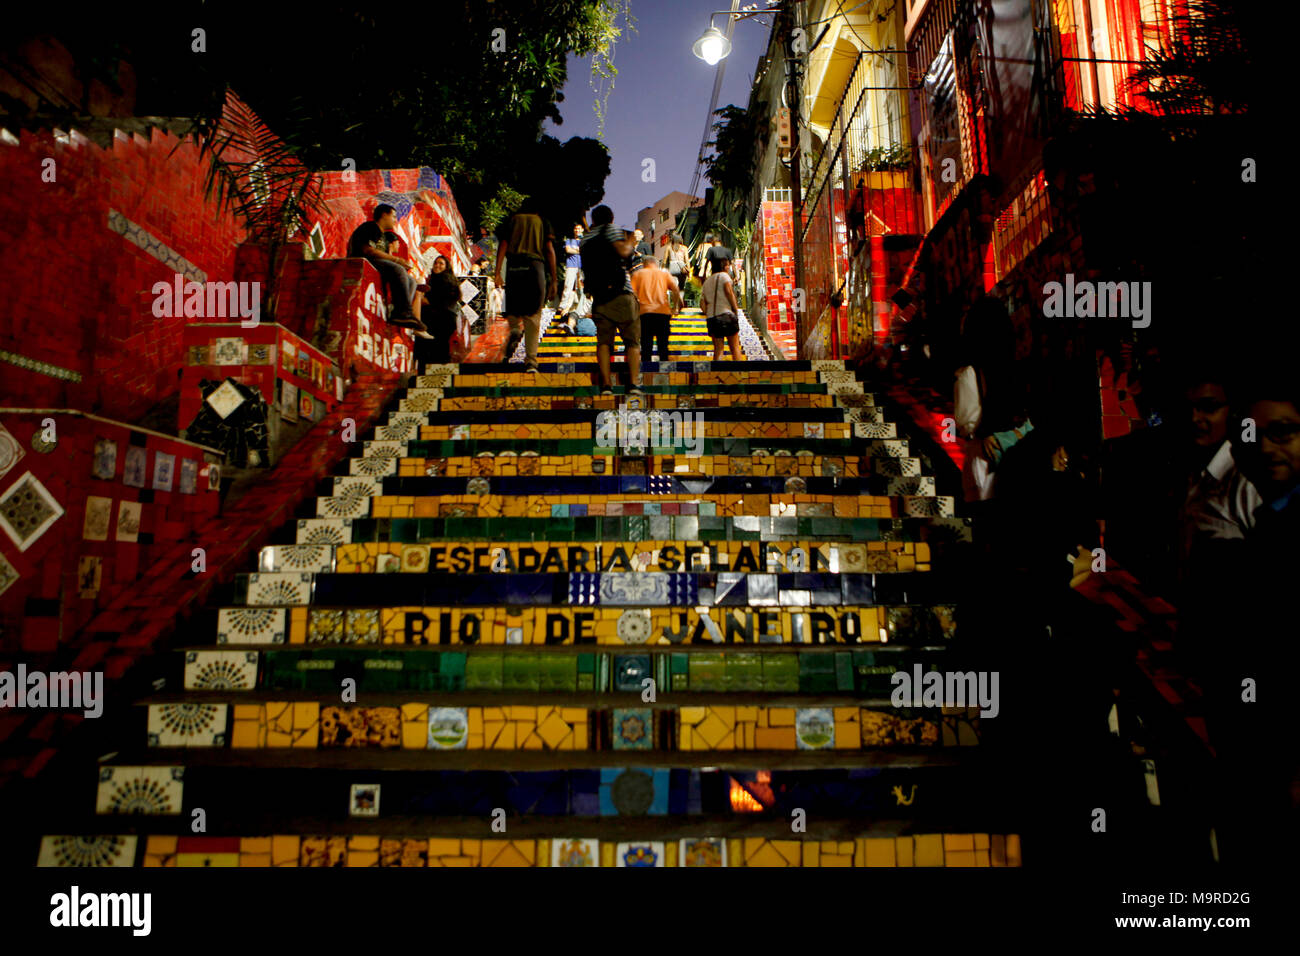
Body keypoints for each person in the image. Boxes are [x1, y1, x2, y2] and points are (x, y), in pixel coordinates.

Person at [580, 205, 642, 395]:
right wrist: (631, 240)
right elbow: (624, 252)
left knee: (604, 343)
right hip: (621, 292)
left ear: (593, 219)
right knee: (632, 342)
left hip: (599, 296)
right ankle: (632, 384)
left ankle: (606, 385)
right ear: (611, 218)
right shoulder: (612, 230)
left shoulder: (585, 240)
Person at [494, 200, 557, 371]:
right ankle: (531, 360)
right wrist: (554, 279)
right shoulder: (543, 222)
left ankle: (514, 329)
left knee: (512, 309)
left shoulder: (513, 220)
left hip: (514, 267)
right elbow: (549, 249)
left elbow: (504, 244)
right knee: (533, 317)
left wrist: (497, 271)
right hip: (535, 268)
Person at [348, 204, 426, 331]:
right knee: (398, 269)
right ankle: (403, 312)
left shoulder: (383, 236)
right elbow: (367, 250)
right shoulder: (371, 227)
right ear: (384, 215)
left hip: (376, 264)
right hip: (362, 260)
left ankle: (402, 313)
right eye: (394, 216)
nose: (395, 220)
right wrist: (396, 260)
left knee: (411, 280)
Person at [630, 255, 682, 364]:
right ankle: (664, 375)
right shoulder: (664, 274)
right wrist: (674, 307)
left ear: (644, 264)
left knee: (646, 346)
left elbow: (632, 294)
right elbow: (676, 290)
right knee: (663, 347)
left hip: (645, 314)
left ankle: (646, 375)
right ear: (656, 264)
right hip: (663, 313)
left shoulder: (638, 274)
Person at [415, 255, 461, 367]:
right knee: (440, 347)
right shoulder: (447, 279)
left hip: (440, 318)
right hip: (446, 318)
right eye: (436, 263)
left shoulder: (442, 279)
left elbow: (432, 300)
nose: (437, 265)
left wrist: (419, 297)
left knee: (432, 347)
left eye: (441, 263)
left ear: (446, 267)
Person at [699, 254, 742, 361]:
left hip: (712, 319)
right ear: (723, 266)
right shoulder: (724, 276)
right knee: (735, 348)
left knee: (718, 350)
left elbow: (702, 303)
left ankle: (717, 375)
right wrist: (736, 309)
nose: (729, 268)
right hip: (726, 316)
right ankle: (741, 374)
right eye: (728, 265)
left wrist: (709, 312)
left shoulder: (707, 282)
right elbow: (729, 291)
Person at [559, 223, 584, 312]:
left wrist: (576, 251)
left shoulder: (584, 241)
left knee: (581, 287)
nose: (577, 230)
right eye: (576, 229)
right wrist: (579, 250)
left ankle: (580, 307)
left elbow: (586, 251)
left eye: (579, 229)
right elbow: (568, 250)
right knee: (568, 285)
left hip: (581, 266)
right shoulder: (569, 240)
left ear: (582, 230)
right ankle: (562, 306)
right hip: (571, 265)